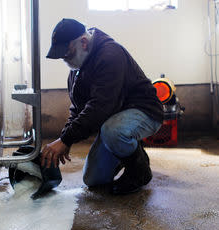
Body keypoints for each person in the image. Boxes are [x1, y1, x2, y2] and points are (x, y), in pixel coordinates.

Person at [40, 19, 163, 194]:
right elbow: (77, 108)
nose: (65, 60)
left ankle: (139, 172)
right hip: (114, 121)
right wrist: (66, 138)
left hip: (144, 112)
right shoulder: (77, 67)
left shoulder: (110, 55)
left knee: (112, 131)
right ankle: (127, 150)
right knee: (93, 180)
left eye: (68, 54)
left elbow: (99, 108)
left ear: (83, 42)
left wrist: (65, 140)